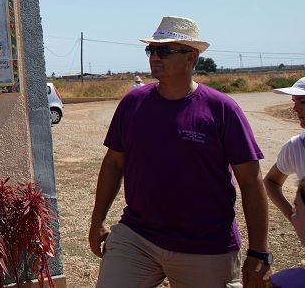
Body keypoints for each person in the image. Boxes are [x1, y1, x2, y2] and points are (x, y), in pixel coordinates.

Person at [88, 16, 270, 288]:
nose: (155, 57)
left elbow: (251, 182)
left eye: (165, 50)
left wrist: (259, 251)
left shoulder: (222, 110)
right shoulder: (133, 103)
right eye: (152, 50)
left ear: (191, 58)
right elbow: (114, 162)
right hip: (138, 236)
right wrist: (97, 219)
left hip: (206, 246)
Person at [263, 78, 305, 287]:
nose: (295, 107)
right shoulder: (296, 147)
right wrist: (294, 216)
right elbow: (271, 181)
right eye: (295, 101)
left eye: (303, 102)